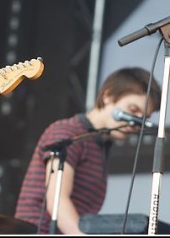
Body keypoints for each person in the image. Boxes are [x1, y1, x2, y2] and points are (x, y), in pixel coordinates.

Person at [14, 67, 162, 234]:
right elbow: (58, 203)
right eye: (133, 110)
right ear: (107, 96)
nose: (135, 122)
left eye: (143, 118)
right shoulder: (69, 132)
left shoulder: (100, 146)